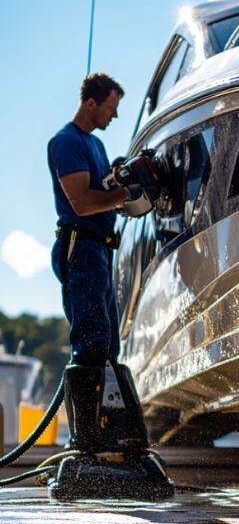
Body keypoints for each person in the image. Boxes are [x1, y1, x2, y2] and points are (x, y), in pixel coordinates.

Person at [48, 72, 148, 453]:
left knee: (108, 345)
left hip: (101, 250)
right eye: (111, 107)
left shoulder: (97, 145)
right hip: (81, 249)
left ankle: (110, 438)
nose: (114, 116)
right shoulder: (65, 142)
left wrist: (124, 187)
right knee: (90, 343)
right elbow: (83, 203)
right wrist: (124, 194)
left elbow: (103, 195)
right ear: (92, 104)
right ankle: (87, 444)